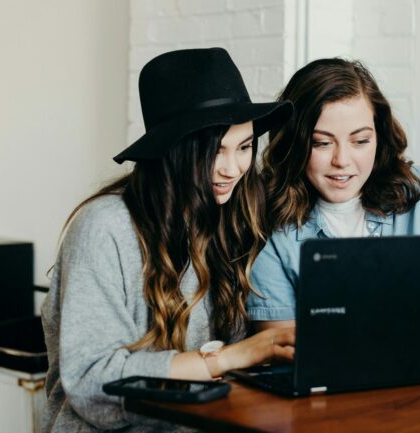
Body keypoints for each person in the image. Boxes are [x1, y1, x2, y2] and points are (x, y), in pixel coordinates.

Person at [40, 48, 295, 432]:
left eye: (244, 147)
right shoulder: (104, 227)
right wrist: (227, 358)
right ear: (173, 150)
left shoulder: (231, 219)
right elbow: (91, 378)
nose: (232, 169)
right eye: (214, 151)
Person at [248, 58, 420, 342]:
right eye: (322, 143)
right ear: (295, 143)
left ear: (379, 135)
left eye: (360, 141)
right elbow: (278, 343)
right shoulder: (268, 217)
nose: (342, 160)